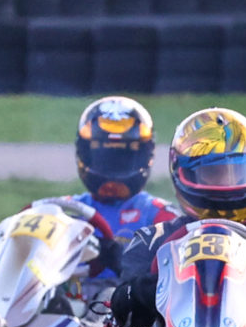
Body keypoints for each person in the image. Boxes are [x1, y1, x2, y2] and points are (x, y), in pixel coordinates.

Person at [105, 107, 246, 327]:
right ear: (182, 173)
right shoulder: (153, 239)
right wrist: (165, 283)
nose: (226, 183)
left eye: (237, 172)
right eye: (213, 173)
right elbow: (126, 313)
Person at [73, 96, 180, 241]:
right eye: (104, 158)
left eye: (122, 158)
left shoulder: (162, 217)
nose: (113, 167)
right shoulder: (62, 211)